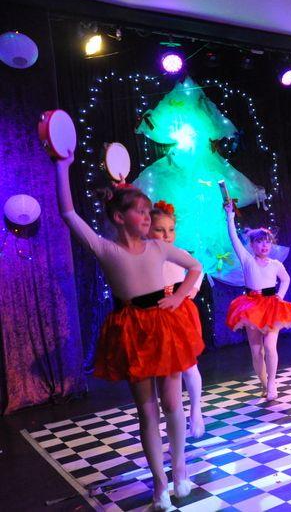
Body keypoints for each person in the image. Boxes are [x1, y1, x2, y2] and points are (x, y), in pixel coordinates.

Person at [54, 151, 203, 510]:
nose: (148, 216)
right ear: (119, 217)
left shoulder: (158, 246)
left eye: (148, 211)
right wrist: (62, 166)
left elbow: (195, 267)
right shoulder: (105, 248)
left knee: (173, 404)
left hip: (164, 327)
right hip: (132, 330)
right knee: (147, 411)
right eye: (140, 211)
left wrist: (178, 297)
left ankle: (180, 471)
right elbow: (68, 213)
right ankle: (160, 484)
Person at [223, 202, 291, 401]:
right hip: (251, 307)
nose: (264, 245)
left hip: (272, 306)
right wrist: (230, 216)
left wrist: (280, 295)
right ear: (252, 245)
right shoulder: (247, 260)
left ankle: (272, 383)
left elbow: (286, 279)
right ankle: (264, 383)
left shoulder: (276, 264)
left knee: (270, 347)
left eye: (267, 242)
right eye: (260, 242)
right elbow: (233, 239)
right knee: (257, 351)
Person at [149, 200, 206, 439]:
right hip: (152, 314)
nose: (167, 235)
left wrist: (190, 290)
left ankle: (196, 410)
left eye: (171, 230)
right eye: (160, 230)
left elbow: (199, 268)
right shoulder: (143, 255)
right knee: (160, 369)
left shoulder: (179, 254)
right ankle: (171, 415)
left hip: (178, 313)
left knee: (188, 367)